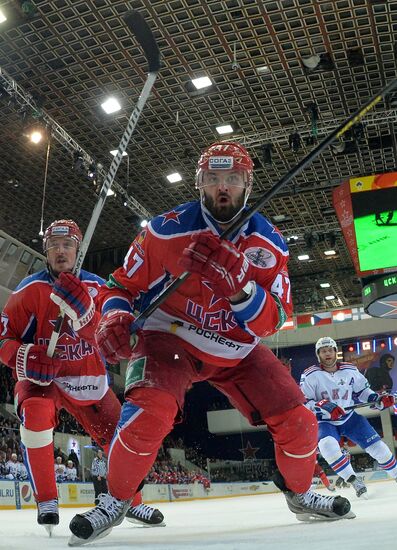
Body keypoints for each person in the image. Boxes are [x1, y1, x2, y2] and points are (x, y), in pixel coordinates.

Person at [69, 142, 354, 546]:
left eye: (233, 179)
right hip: (171, 339)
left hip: (237, 350)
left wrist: (241, 291)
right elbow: (120, 287)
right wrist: (113, 315)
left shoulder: (270, 245)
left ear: (247, 184)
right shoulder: (164, 231)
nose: (224, 188)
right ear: (200, 182)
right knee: (148, 414)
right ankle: (116, 500)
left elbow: (274, 321)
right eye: (215, 179)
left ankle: (300, 491)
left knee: (300, 420)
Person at [0, 219, 163, 535]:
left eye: (67, 245)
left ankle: (130, 500)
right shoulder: (29, 290)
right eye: (54, 245)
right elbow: (4, 339)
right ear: (46, 250)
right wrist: (23, 356)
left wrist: (89, 316)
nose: (61, 251)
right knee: (34, 413)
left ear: (78, 250)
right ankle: (47, 500)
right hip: (44, 380)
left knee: (121, 435)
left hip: (89, 379)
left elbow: (116, 338)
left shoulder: (100, 289)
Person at [300, 336, 397, 499]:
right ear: (319, 355)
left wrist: (377, 399)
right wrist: (323, 405)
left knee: (379, 448)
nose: (327, 353)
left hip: (349, 418)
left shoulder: (350, 370)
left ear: (336, 352)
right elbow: (303, 401)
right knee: (327, 446)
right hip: (325, 421)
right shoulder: (310, 375)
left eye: (330, 350)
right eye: (323, 351)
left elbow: (364, 393)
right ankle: (354, 480)